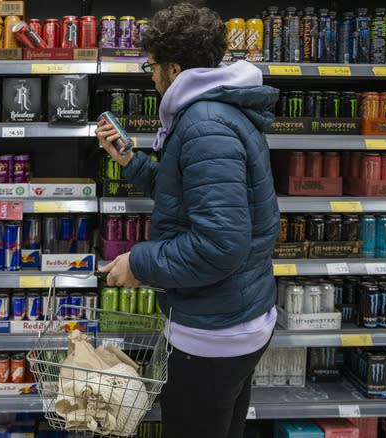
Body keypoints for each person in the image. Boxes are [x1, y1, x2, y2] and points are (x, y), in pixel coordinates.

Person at [95, 4, 280, 438]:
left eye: (152, 65)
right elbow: (190, 194)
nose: (150, 75)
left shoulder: (204, 123)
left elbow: (219, 244)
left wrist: (138, 264)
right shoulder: (215, 111)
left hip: (216, 333)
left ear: (174, 68)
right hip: (234, 317)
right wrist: (130, 159)